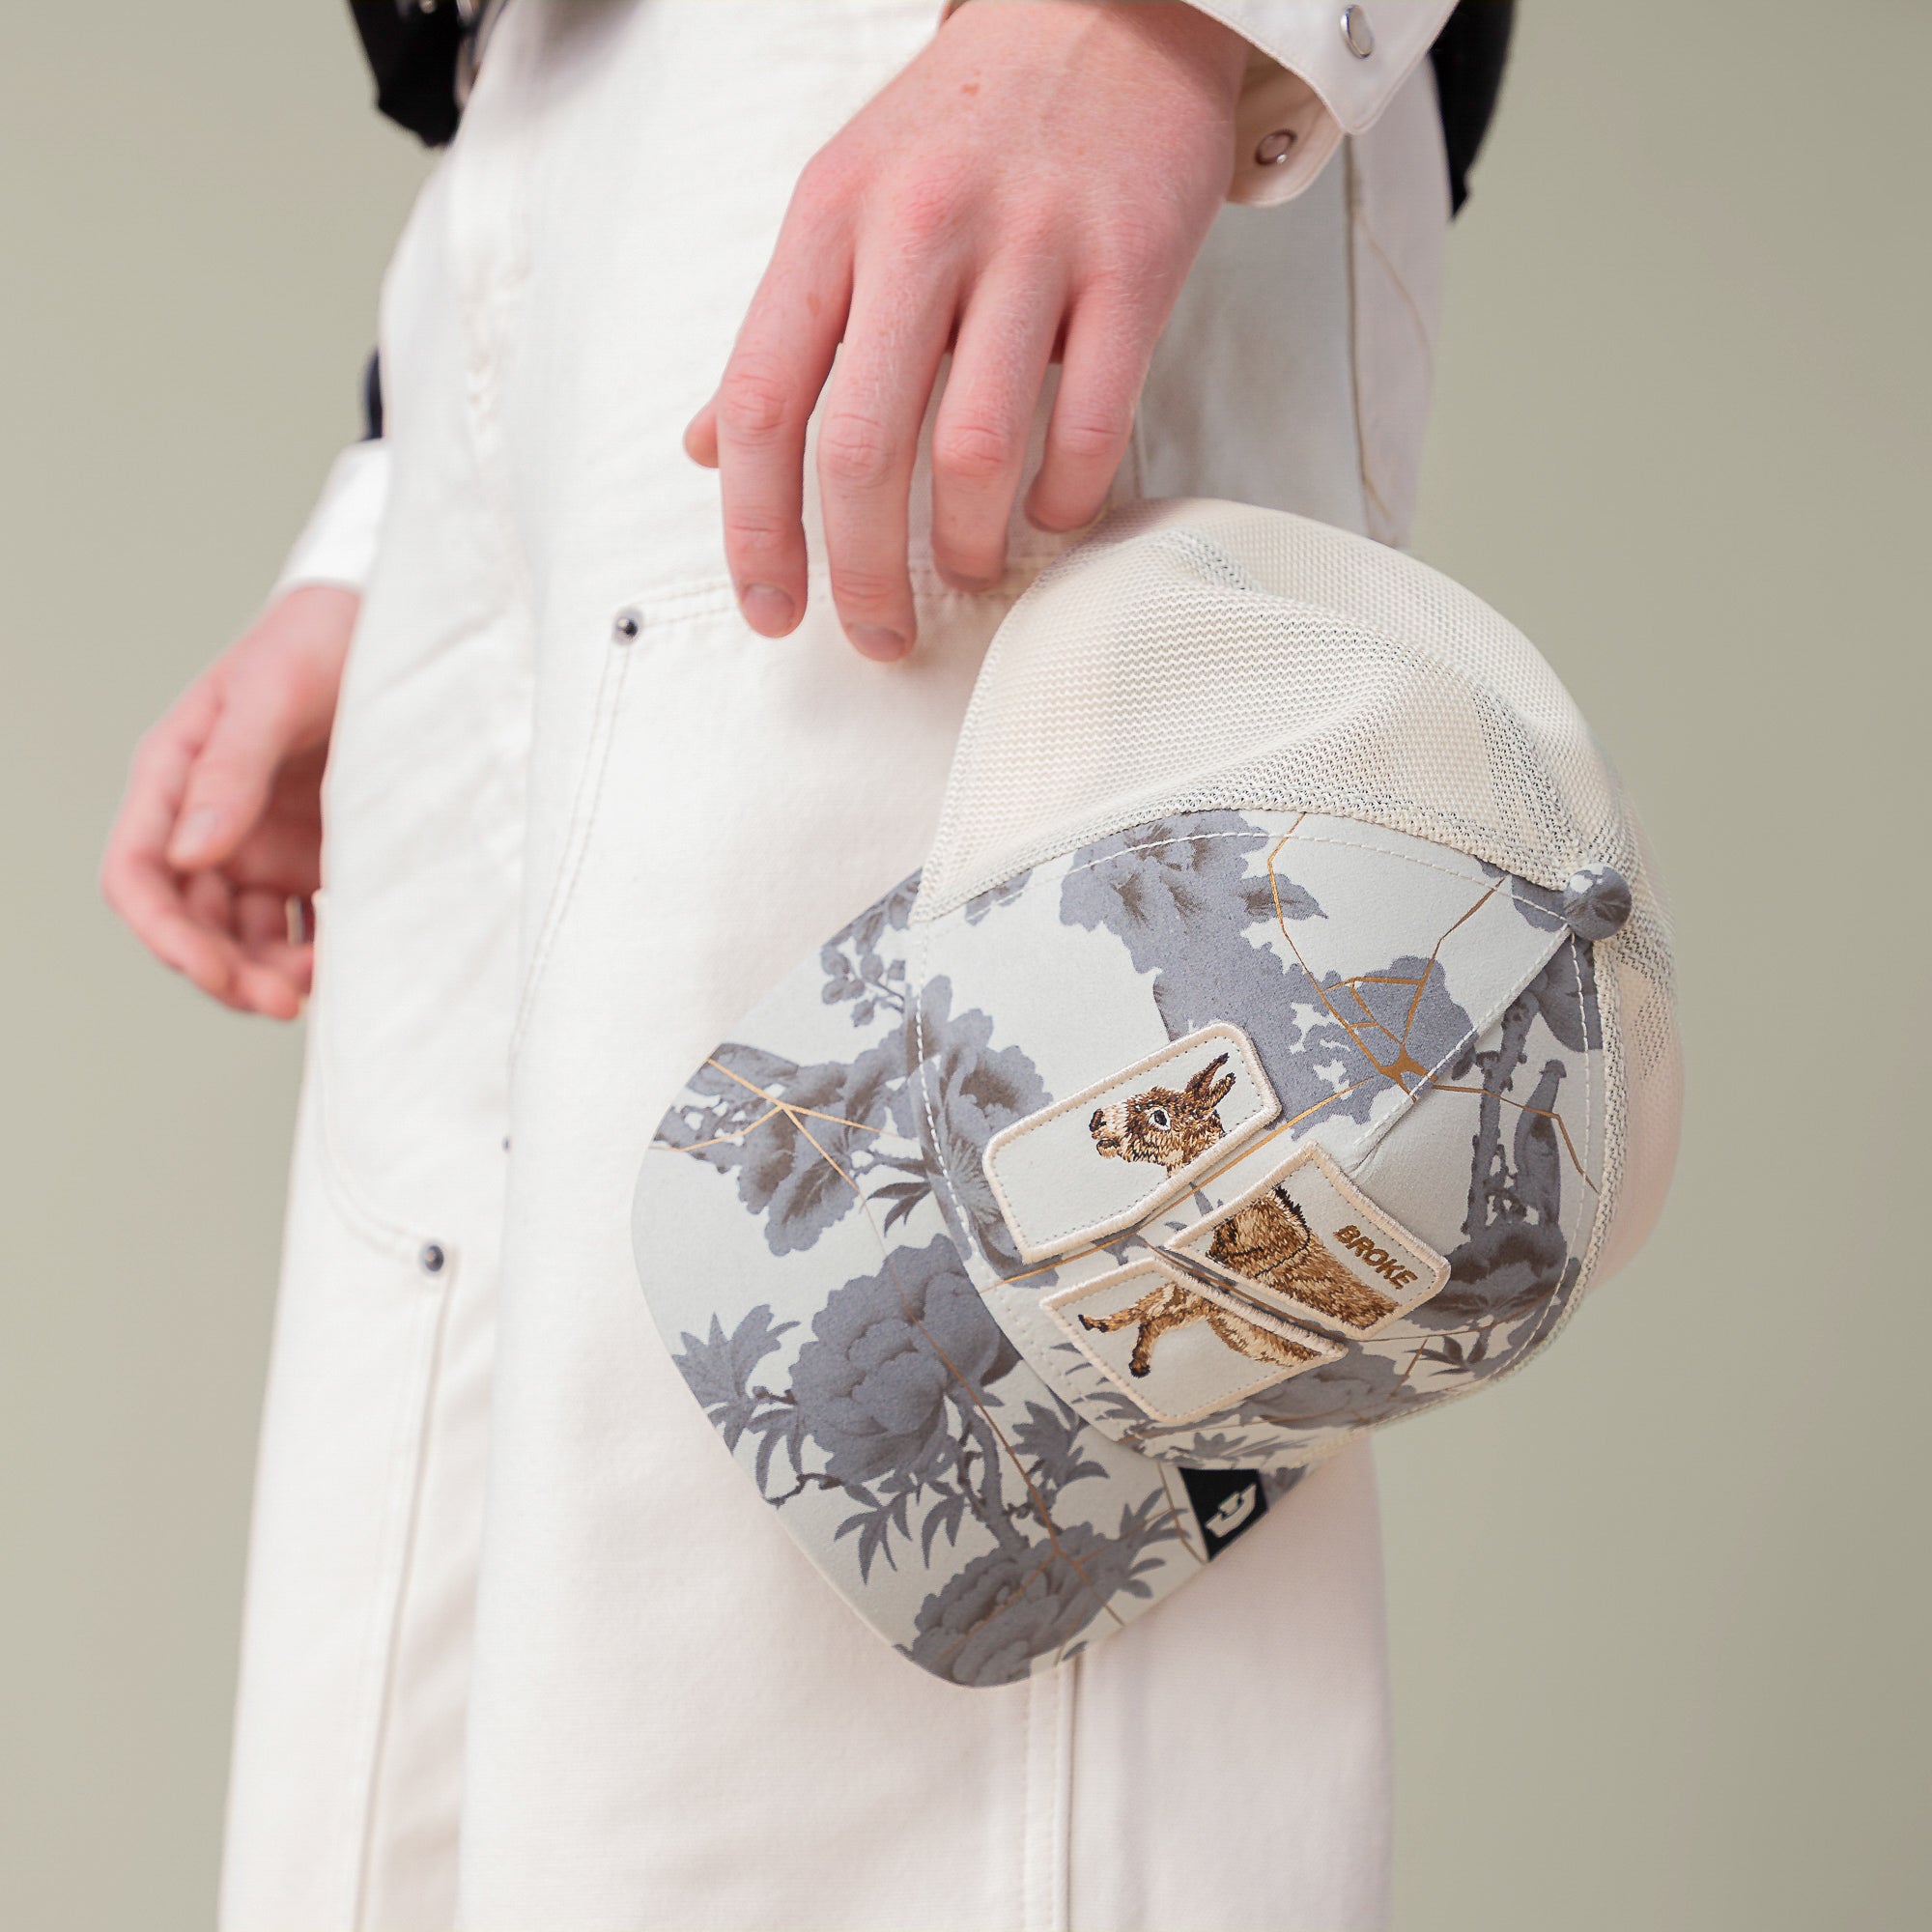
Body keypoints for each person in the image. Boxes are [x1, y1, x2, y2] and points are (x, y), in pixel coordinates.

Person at [102, 4, 1509, 1926]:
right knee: (416, 1729)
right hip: (527, 145)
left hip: (943, 71)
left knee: (852, 1704)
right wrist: (410, 481)